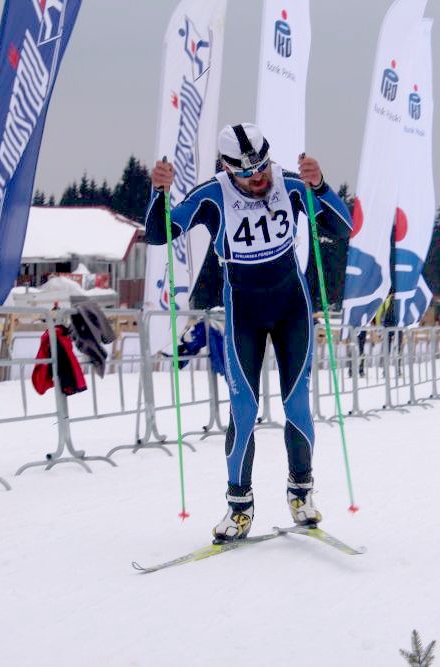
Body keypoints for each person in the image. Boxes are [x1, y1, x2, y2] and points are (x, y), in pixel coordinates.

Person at [145, 123, 352, 542]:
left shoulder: (289, 185)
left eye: (263, 168)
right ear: (226, 166)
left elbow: (341, 227)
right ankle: (239, 507)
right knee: (243, 410)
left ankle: (301, 492)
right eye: (248, 173)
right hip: (244, 315)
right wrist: (159, 193)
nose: (259, 179)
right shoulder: (212, 194)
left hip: (292, 309)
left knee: (297, 405)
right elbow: (158, 233)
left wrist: (321, 185)